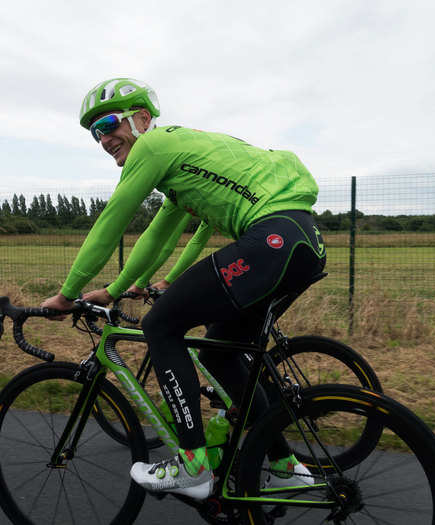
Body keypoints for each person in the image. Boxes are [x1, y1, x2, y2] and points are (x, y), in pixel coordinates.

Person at [41, 77, 326, 499]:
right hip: (302, 244)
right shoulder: (180, 166)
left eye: (107, 124)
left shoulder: (154, 147)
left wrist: (68, 293)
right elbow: (157, 238)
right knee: (218, 349)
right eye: (94, 132)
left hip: (273, 239)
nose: (103, 138)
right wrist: (117, 289)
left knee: (160, 326)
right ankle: (285, 466)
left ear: (141, 119)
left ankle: (192, 465)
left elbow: (112, 219)